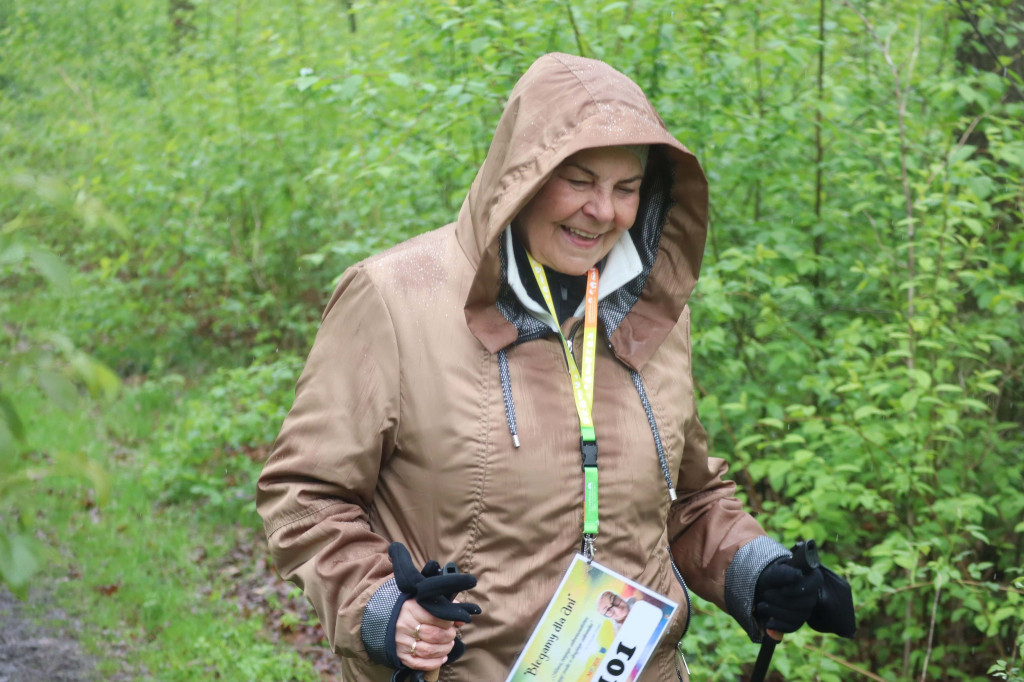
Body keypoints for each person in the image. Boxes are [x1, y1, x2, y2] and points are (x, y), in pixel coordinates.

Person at [257, 53, 854, 681]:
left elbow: (688, 497)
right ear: (522, 176)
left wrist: (759, 572)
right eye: (579, 181)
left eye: (627, 189)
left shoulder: (653, 311)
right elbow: (305, 497)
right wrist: (383, 607)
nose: (604, 212)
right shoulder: (396, 299)